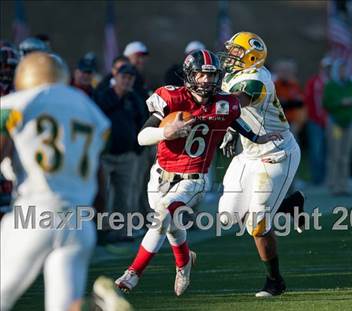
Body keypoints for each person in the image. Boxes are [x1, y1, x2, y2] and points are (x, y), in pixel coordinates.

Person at [114, 49, 281, 296]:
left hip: (194, 178)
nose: (207, 80)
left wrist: (257, 136)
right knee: (170, 225)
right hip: (160, 173)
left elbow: (235, 118)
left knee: (162, 217)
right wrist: (165, 133)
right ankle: (184, 262)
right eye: (202, 75)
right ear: (190, 75)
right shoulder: (171, 97)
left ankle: (133, 273)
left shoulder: (225, 102)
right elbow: (141, 137)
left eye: (212, 75)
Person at [0, 52, 110, 311]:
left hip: (34, 213)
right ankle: (92, 305)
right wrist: (101, 216)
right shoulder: (89, 109)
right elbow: (99, 171)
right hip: (79, 221)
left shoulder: (20, 102)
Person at [217, 32, 301, 297]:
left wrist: (201, 102)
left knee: (257, 223)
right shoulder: (233, 75)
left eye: (236, 52)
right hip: (249, 153)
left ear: (251, 57)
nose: (230, 56)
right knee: (226, 216)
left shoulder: (256, 78)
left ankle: (275, 281)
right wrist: (232, 132)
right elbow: (235, 112)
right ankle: (289, 203)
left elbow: (236, 103)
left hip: (276, 152)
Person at [94, 63, 148, 242]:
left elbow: (142, 122)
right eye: (124, 77)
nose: (127, 81)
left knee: (124, 195)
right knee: (103, 194)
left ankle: (121, 232)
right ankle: (101, 231)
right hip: (106, 155)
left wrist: (138, 147)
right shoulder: (104, 96)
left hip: (127, 155)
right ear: (115, 76)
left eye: (130, 78)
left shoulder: (134, 100)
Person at [323, 59, 352, 196]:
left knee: (346, 156)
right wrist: (341, 103)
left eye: (345, 69)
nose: (343, 72)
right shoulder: (331, 85)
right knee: (335, 154)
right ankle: (334, 185)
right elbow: (326, 103)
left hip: (350, 124)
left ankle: (344, 185)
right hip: (336, 124)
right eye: (341, 70)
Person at [303, 56, 332, 185]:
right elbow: (308, 99)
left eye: (329, 68)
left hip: (331, 121)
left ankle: (328, 177)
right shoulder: (314, 81)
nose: (328, 70)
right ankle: (317, 178)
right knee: (317, 149)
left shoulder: (333, 82)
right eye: (326, 67)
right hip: (315, 120)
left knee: (330, 149)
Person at [273, 59, 306, 137]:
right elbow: (277, 104)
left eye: (288, 71)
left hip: (293, 121)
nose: (285, 73)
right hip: (278, 123)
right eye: (283, 71)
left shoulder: (295, 85)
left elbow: (300, 102)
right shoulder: (273, 85)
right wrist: (290, 102)